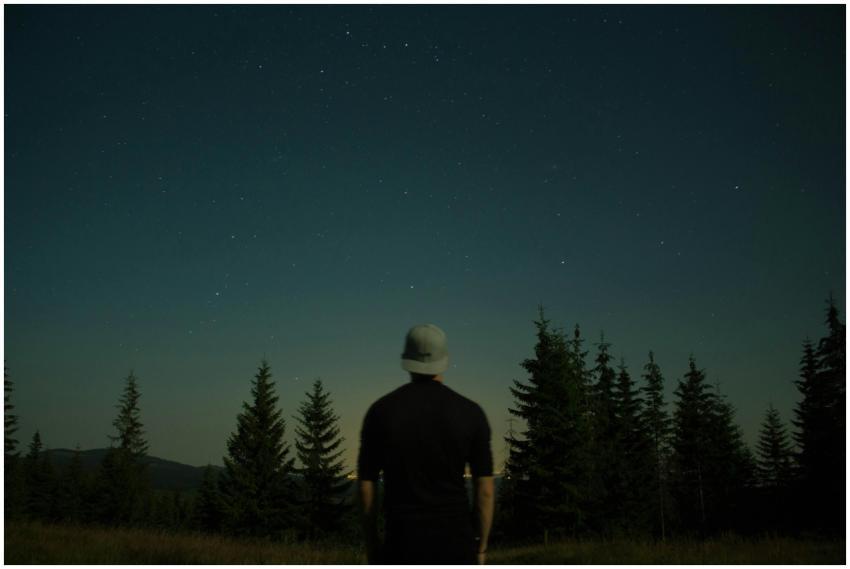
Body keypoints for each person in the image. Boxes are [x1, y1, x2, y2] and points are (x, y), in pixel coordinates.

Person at [357, 324, 495, 565]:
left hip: (401, 546)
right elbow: (485, 490)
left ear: (407, 360)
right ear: (444, 359)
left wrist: (372, 547)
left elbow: (366, 487)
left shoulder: (380, 412)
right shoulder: (471, 413)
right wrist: (481, 548)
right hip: (457, 548)